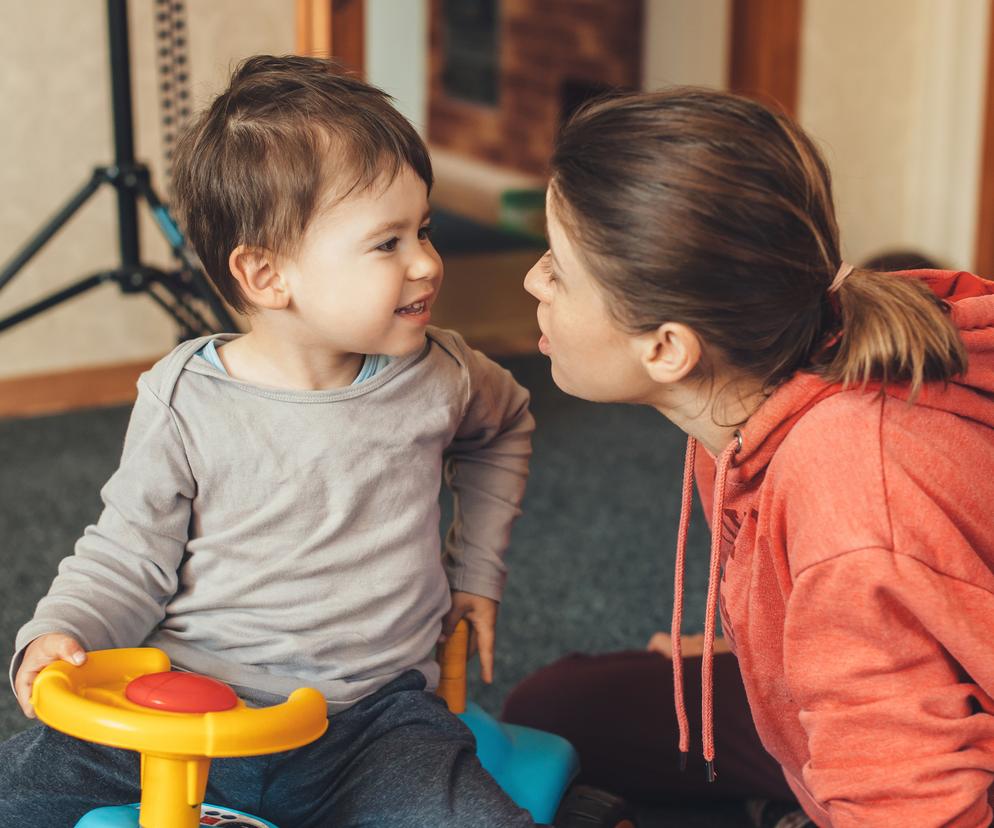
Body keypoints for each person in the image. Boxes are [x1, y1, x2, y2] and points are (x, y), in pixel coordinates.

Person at [1, 55, 535, 827]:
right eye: (388, 243)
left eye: (423, 229)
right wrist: (62, 632)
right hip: (190, 714)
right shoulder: (184, 397)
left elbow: (505, 425)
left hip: (369, 725)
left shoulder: (443, 373)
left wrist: (475, 568)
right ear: (265, 273)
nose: (427, 261)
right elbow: (127, 553)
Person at [507, 87, 994, 827]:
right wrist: (776, 643)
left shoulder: (848, 492)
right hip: (888, 654)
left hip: (950, 779)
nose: (532, 281)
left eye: (558, 269)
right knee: (554, 711)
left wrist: (844, 627)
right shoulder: (777, 364)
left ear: (667, 348)